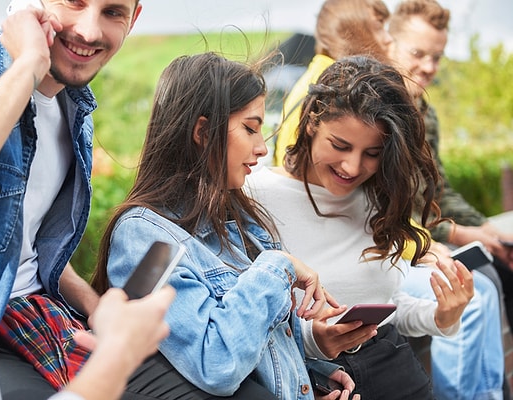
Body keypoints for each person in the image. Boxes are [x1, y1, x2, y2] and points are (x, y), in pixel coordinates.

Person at [0, 1, 174, 400]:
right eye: (74, 2)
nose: (88, 31)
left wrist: (96, 306)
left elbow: (28, 243)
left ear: (133, 20)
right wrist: (29, 65)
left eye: (113, 12)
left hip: (40, 313)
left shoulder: (74, 106)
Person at [91, 52, 361, 400]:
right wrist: (279, 265)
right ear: (203, 131)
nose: (263, 148)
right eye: (250, 128)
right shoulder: (144, 237)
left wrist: (311, 377)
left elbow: (260, 351)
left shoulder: (241, 222)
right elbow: (216, 364)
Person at [246, 55, 474, 399]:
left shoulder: (378, 198)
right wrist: (314, 341)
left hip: (396, 373)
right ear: (310, 123)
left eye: (373, 153)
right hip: (312, 381)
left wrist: (443, 316)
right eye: (340, 145)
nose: (353, 167)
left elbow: (384, 305)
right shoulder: (254, 195)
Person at [389, 1, 509, 397]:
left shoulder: (426, 111)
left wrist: (480, 225)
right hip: (399, 249)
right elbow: (396, 213)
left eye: (436, 57)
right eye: (417, 53)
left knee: (491, 275)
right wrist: (455, 234)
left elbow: (435, 190)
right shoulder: (378, 113)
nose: (428, 66)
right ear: (389, 43)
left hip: (419, 242)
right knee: (479, 290)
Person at [271, 0, 394, 166]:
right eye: (379, 27)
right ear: (352, 29)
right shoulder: (336, 88)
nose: (388, 39)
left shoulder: (321, 73)